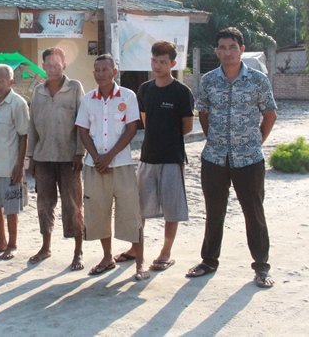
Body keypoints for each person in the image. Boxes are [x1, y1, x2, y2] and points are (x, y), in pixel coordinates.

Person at [186, 27, 277, 288]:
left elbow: (270, 114)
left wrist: (255, 141)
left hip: (249, 159)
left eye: (232, 47)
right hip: (214, 158)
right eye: (223, 48)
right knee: (214, 212)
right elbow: (203, 113)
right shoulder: (208, 81)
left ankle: (261, 266)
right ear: (216, 51)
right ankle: (208, 260)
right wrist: (215, 139)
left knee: (254, 212)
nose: (228, 52)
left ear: (242, 50)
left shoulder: (258, 80)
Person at [115, 41, 194, 272]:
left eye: (163, 62)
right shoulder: (145, 89)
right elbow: (145, 120)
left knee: (172, 208)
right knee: (139, 206)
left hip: (172, 158)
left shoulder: (182, 92)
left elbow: (187, 126)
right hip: (147, 157)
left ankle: (166, 252)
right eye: (154, 61)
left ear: (172, 63)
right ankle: (135, 248)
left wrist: (168, 137)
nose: (157, 66)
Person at [76, 54, 147, 280]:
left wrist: (110, 156)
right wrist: (97, 157)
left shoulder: (128, 96)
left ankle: (140, 263)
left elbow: (131, 129)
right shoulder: (88, 99)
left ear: (114, 72)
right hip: (94, 166)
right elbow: (83, 131)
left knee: (131, 212)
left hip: (122, 164)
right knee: (99, 212)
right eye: (97, 70)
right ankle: (107, 257)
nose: (100, 74)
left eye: (105, 69)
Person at [27, 47, 85, 271]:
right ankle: (46, 246)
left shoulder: (74, 87)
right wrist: (31, 157)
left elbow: (82, 121)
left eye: (56, 64)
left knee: (73, 205)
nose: (52, 68)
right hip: (43, 157)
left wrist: (80, 152)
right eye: (48, 64)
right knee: (44, 204)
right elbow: (32, 126)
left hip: (69, 158)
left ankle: (78, 251)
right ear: (43, 66)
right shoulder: (38, 91)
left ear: (64, 65)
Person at [0, 64, 29, 260]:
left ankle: (12, 244)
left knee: (11, 208)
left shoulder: (18, 104)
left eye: (0, 81)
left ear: (11, 82)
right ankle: (0, 241)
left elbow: (24, 136)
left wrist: (20, 165)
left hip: (10, 166)